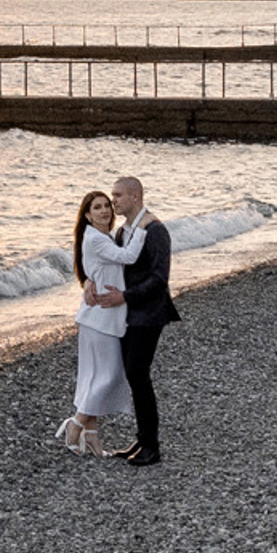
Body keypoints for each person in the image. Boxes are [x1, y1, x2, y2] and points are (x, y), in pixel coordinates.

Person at [54, 188, 147, 457]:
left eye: (107, 205)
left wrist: (89, 281)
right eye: (97, 207)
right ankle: (76, 423)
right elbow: (129, 257)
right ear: (86, 215)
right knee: (109, 375)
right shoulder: (96, 238)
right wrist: (142, 224)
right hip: (100, 319)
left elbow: (104, 267)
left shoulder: (102, 237)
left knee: (94, 377)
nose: (105, 210)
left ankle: (93, 439)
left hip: (100, 317)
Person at [110, 174, 178, 467]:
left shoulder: (156, 230)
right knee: (133, 374)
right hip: (128, 311)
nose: (113, 201)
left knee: (138, 373)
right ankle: (142, 439)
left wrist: (125, 296)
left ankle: (152, 446)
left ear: (135, 197)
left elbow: (159, 278)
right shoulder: (123, 231)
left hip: (150, 312)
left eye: (118, 196)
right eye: (113, 196)